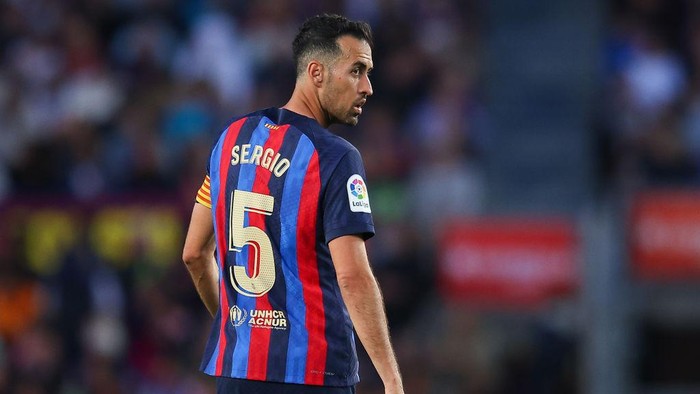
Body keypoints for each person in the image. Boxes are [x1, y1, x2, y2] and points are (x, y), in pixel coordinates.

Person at [182, 13, 404, 394]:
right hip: (311, 375)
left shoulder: (228, 141)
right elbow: (352, 278)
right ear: (316, 72)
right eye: (356, 71)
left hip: (237, 374)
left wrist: (241, 327)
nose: (367, 87)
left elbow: (194, 254)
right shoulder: (335, 157)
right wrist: (392, 381)